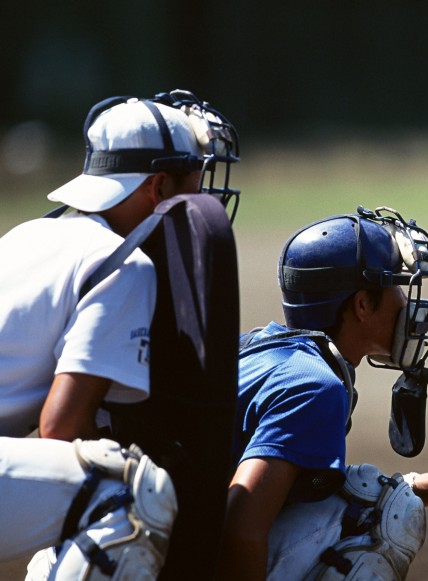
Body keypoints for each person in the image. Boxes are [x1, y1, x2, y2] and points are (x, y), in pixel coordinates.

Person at [0, 89, 240, 579]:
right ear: (157, 186)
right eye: (194, 177)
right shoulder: (123, 265)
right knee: (130, 492)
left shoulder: (26, 235)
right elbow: (60, 428)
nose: (203, 193)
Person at [219, 206, 428, 580]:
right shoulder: (314, 386)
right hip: (174, 559)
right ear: (362, 304)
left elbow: (305, 497)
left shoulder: (266, 348)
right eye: (395, 285)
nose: (406, 302)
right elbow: (240, 527)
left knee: (376, 507)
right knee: (378, 532)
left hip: (164, 539)